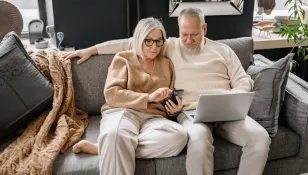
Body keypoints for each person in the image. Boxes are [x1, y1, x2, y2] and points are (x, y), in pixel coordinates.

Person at [66, 8, 271, 175]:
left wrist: (232, 97)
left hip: (227, 110)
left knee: (260, 138)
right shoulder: (167, 46)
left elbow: (243, 80)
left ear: (205, 28)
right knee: (198, 140)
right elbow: (132, 43)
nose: (188, 40)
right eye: (184, 35)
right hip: (192, 113)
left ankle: (109, 147)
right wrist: (92, 50)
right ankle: (113, 145)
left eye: (194, 35)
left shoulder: (223, 51)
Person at [69, 17, 188, 175]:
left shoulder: (167, 65)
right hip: (123, 112)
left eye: (159, 41)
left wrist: (174, 109)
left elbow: (167, 102)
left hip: (154, 118)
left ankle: (105, 147)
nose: (155, 47)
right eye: (149, 41)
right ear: (139, 39)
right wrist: (148, 98)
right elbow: (112, 94)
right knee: (115, 134)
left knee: (179, 137)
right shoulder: (123, 58)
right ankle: (113, 143)